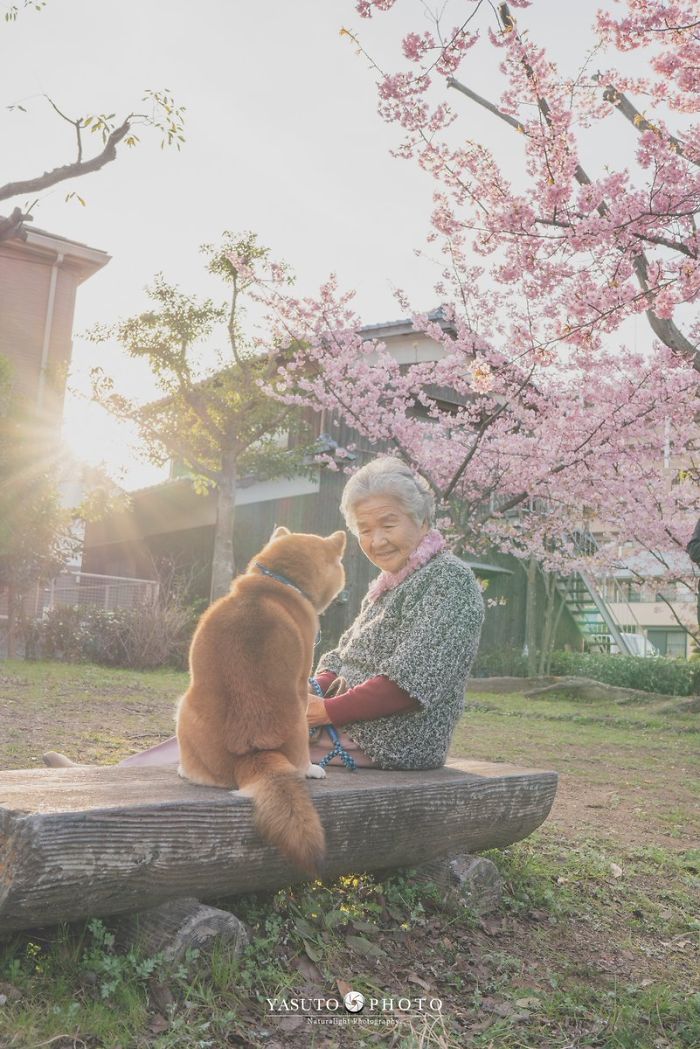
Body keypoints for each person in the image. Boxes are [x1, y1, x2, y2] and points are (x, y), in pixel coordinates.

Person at [43, 457, 485, 772]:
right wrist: (303, 688)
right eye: (365, 530)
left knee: (231, 743)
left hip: (392, 741)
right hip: (347, 722)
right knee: (228, 710)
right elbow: (342, 661)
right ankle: (113, 774)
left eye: (388, 524)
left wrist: (323, 711)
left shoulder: (449, 581)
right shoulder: (390, 585)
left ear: (422, 520)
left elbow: (409, 685)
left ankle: (109, 780)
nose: (377, 541)